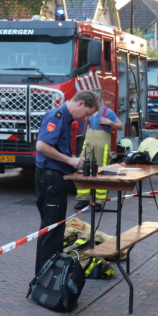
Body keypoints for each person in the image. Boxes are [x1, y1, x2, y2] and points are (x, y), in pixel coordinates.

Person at [34, 90, 99, 276]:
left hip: (55, 179)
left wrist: (71, 160)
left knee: (56, 230)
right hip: (50, 180)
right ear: (80, 104)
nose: (84, 118)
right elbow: (42, 146)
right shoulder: (56, 116)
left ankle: (48, 275)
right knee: (51, 230)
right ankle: (44, 277)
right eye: (86, 113)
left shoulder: (66, 119)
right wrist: (69, 160)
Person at [73, 94, 122, 209]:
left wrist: (110, 123)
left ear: (98, 99)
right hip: (89, 143)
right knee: (82, 168)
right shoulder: (90, 111)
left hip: (102, 145)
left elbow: (120, 126)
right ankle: (83, 199)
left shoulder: (108, 112)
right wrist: (85, 140)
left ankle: (100, 201)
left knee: (101, 171)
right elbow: (88, 126)